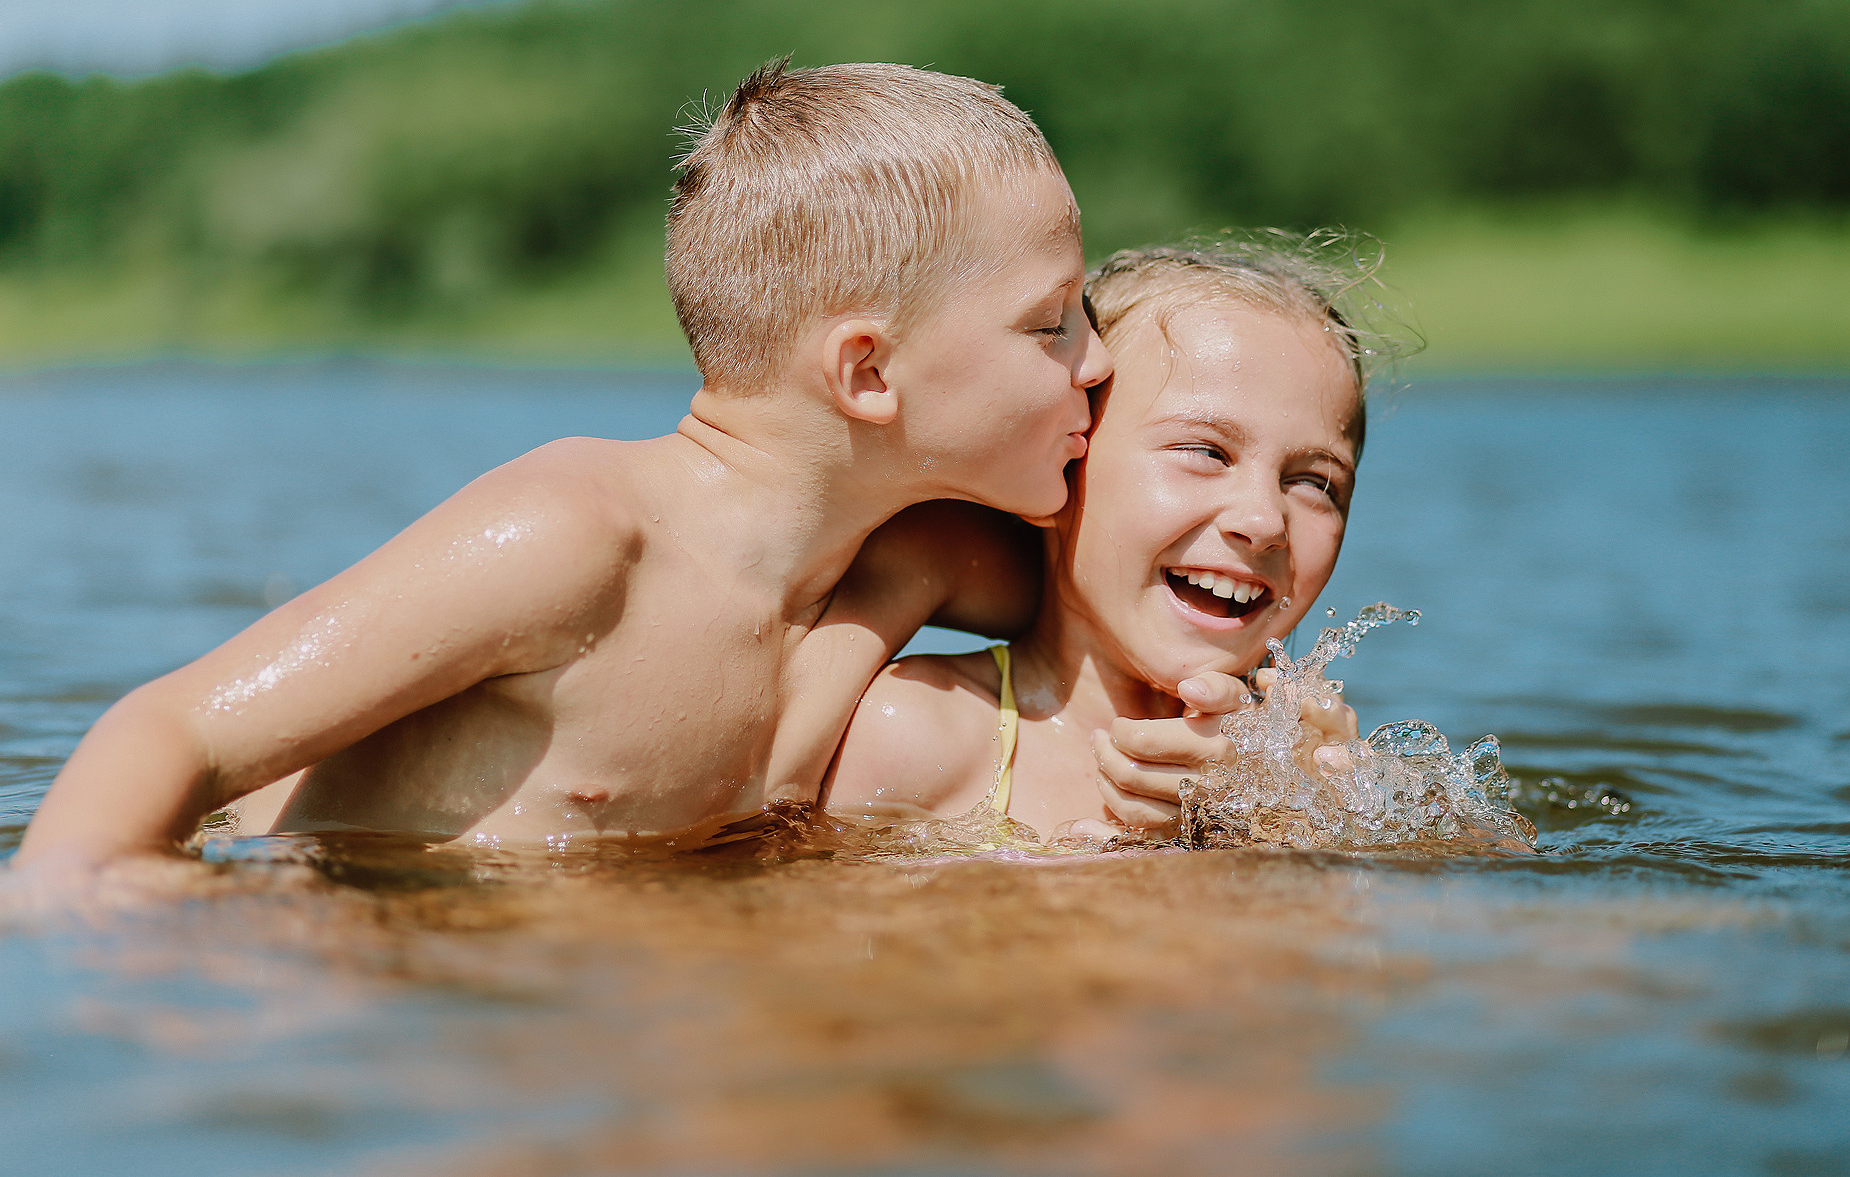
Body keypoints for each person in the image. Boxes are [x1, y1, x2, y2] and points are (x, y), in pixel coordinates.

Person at [14, 59, 1119, 871]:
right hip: (322, 935)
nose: (1097, 359)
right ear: (868, 374)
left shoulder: (913, 561)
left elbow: (1135, 613)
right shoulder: (580, 539)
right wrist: (96, 932)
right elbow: (176, 731)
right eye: (1050, 325)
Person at [823, 237, 1377, 839]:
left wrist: (1306, 824)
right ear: (1061, 470)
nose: (1266, 521)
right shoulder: (922, 736)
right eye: (1204, 452)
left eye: (1315, 484)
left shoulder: (1309, 770)